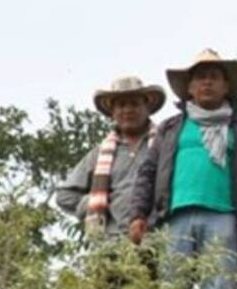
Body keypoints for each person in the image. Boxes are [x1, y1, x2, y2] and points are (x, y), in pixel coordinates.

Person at [130, 50, 237, 289]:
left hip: (224, 215)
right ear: (190, 87)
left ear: (226, 86)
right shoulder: (171, 127)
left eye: (213, 77)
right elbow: (148, 172)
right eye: (200, 77)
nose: (206, 82)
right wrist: (138, 214)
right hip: (175, 217)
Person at [57, 76, 165, 238]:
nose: (128, 110)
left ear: (147, 108)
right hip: (111, 240)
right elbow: (65, 196)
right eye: (121, 105)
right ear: (113, 113)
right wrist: (97, 201)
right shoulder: (100, 153)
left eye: (134, 104)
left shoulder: (165, 144)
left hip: (159, 235)